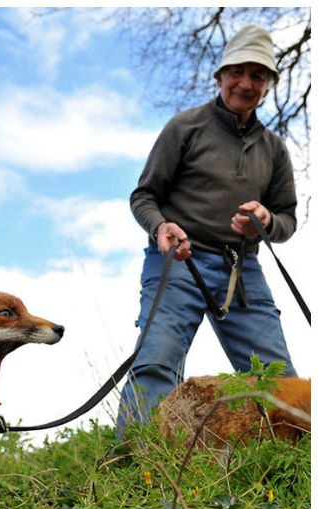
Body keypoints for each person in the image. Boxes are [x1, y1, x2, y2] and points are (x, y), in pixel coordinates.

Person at [116, 24, 299, 433]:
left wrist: (266, 222)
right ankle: (128, 467)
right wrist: (161, 226)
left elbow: (287, 218)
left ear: (267, 86)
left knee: (280, 378)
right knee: (156, 361)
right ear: (219, 77)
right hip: (179, 261)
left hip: (242, 271)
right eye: (238, 72)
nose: (246, 83)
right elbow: (143, 196)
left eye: (258, 75)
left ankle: (297, 471)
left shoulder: (274, 149)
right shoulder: (185, 127)